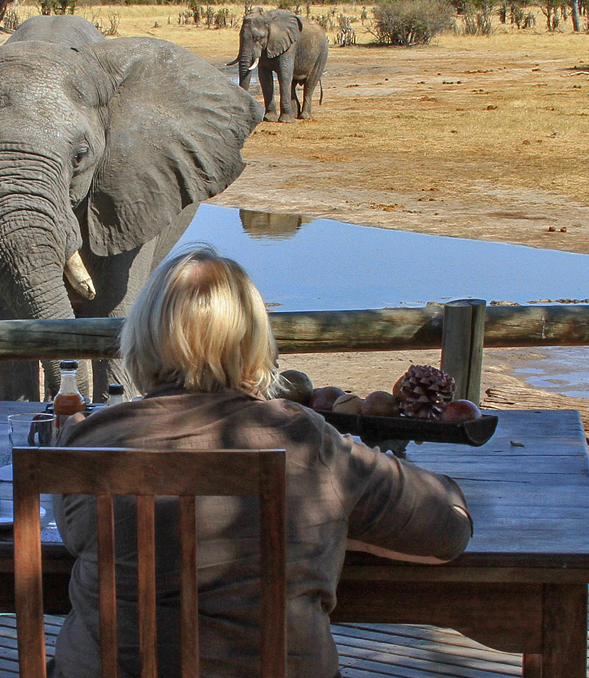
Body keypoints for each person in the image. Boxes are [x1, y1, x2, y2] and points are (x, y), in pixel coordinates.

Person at [51, 246, 473, 678]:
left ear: (140, 340)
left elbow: (75, 533)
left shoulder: (88, 443)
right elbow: (448, 530)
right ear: (256, 344)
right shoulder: (307, 441)